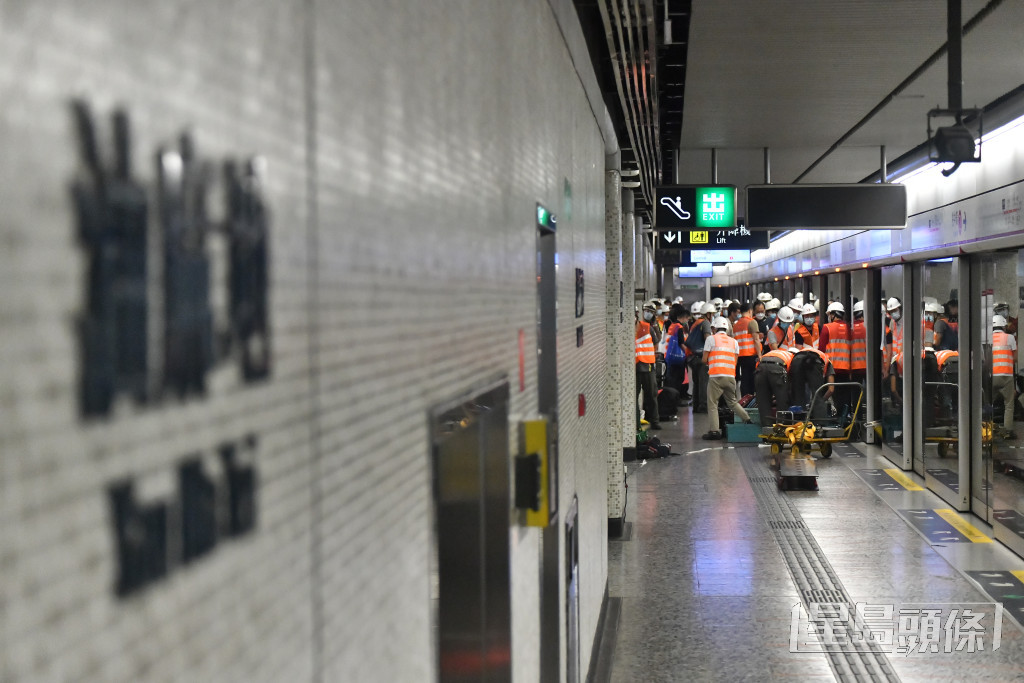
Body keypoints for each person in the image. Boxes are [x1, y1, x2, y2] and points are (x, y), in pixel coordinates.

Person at [701, 316, 751, 439]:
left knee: (713, 404)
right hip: (730, 377)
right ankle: (748, 419)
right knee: (732, 402)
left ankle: (714, 431)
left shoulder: (710, 339)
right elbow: (734, 361)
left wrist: (711, 363)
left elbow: (703, 359)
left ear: (714, 328)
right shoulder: (734, 342)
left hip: (716, 377)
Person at [685, 302, 716, 413]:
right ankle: (703, 406)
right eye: (712, 314)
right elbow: (708, 339)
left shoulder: (695, 323)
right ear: (707, 314)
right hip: (701, 357)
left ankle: (696, 405)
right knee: (704, 382)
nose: (712, 316)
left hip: (692, 357)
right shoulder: (705, 323)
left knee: (696, 382)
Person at [789, 346, 835, 419]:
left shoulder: (802, 352)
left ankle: (798, 422)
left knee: (798, 394)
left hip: (796, 360)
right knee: (817, 394)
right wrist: (819, 402)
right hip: (814, 360)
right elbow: (831, 389)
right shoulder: (828, 362)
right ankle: (819, 424)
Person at [636, 304, 661, 430]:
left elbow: (656, 344)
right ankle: (635, 422)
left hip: (648, 366)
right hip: (635, 368)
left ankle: (655, 421)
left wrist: (651, 357)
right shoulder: (626, 329)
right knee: (633, 396)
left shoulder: (647, 327)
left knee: (652, 394)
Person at [822, 302, 851, 411]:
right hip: (847, 368)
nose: (829, 317)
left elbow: (821, 349)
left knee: (834, 395)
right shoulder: (848, 328)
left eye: (830, 314)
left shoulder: (827, 328)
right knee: (845, 398)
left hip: (832, 368)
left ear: (833, 314)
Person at [755, 349, 793, 429]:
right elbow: (790, 379)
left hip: (760, 368)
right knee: (782, 399)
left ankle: (766, 428)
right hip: (777, 368)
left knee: (763, 401)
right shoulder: (792, 357)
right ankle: (781, 427)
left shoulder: (774, 352)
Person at [992, 314, 1017, 439]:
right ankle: (1007, 431)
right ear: (1003, 326)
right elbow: (1015, 358)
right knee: (1009, 404)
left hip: (992, 375)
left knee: (987, 403)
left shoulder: (988, 339)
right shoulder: (1010, 338)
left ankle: (985, 428)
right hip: (1006, 375)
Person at [734, 301, 762, 396]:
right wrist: (760, 355)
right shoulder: (751, 322)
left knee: (745, 379)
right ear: (750, 311)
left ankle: (745, 399)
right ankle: (753, 401)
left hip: (741, 356)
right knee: (753, 380)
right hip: (751, 356)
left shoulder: (736, 324)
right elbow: (756, 340)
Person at [849, 301, 867, 384]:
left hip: (854, 367)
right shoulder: (869, 327)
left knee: (856, 394)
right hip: (868, 366)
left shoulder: (849, 328)